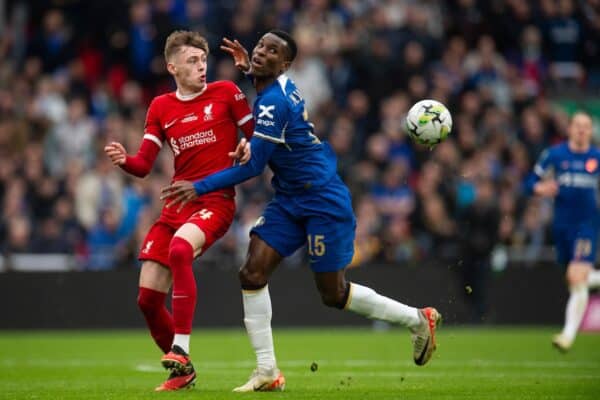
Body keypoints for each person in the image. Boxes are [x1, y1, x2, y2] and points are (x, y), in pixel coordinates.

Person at [160, 30, 441, 392]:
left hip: (322, 199)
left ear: (286, 65)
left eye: (272, 51)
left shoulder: (272, 101)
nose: (261, 52)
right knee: (252, 271)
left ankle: (417, 320)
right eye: (261, 45)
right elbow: (267, 97)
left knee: (333, 294)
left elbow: (252, 167)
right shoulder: (274, 87)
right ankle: (266, 371)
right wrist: (250, 69)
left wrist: (197, 186)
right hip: (292, 197)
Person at [104, 30, 254, 391]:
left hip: (214, 202)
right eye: (192, 61)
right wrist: (125, 161)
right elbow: (144, 164)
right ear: (173, 67)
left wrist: (248, 145)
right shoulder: (161, 107)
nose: (201, 66)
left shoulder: (227, 94)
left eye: (203, 60)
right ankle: (182, 374)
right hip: (177, 205)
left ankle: (180, 349)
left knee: (181, 250)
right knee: (147, 300)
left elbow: (257, 135)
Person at [528, 111, 600, 352]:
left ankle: (567, 336)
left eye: (586, 126)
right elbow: (529, 182)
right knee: (575, 281)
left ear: (591, 131)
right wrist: (540, 188)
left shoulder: (597, 157)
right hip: (562, 228)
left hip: (587, 227)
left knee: (577, 276)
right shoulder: (555, 155)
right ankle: (568, 335)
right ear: (569, 129)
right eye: (577, 125)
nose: (581, 130)